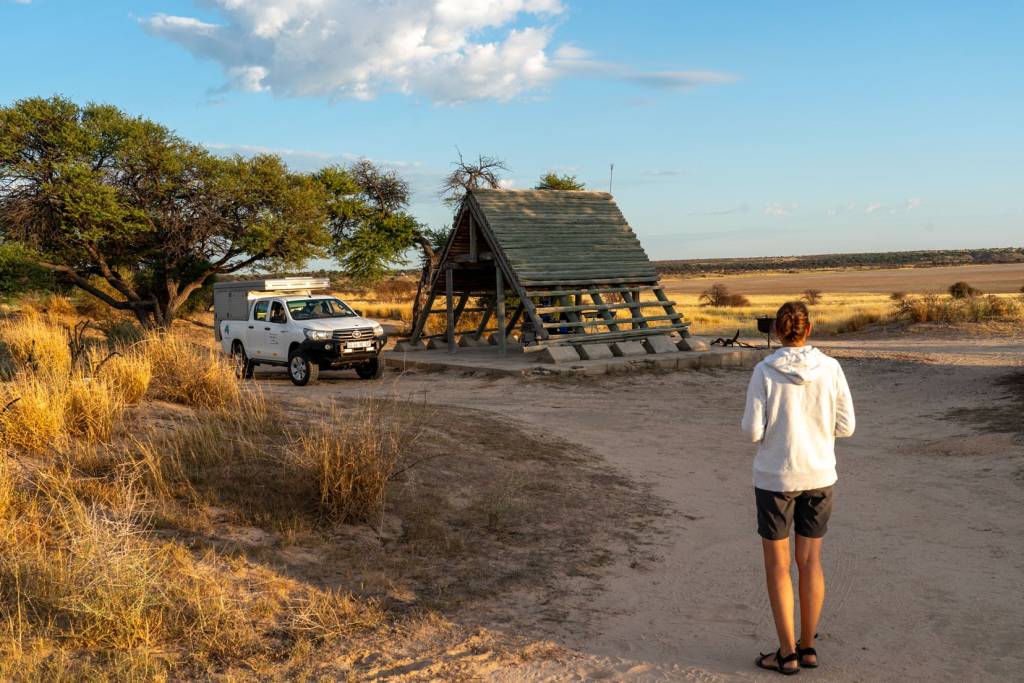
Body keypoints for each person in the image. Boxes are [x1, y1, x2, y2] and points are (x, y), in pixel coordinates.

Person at [741, 301, 855, 675]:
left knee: (778, 567)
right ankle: (808, 647)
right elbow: (846, 426)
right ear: (809, 329)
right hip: (819, 475)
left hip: (776, 478)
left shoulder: (764, 371)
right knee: (810, 562)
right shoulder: (831, 368)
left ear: (776, 330)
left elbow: (752, 431)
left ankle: (786, 653)